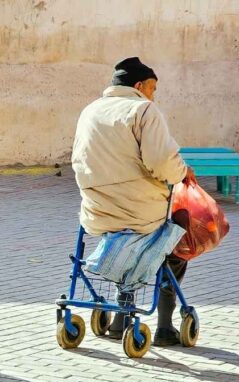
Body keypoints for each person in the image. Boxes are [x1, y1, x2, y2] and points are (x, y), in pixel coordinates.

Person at [72, 56, 196, 346]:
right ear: (139, 86)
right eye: (152, 89)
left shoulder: (90, 110)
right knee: (178, 236)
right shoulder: (143, 109)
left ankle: (121, 318)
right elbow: (161, 162)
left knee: (127, 245)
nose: (154, 95)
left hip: (96, 215)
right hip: (139, 215)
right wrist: (182, 172)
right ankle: (165, 326)